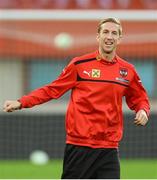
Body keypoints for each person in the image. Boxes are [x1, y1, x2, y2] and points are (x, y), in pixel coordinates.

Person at [3, 18, 150, 179]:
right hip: (79, 146)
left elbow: (139, 97)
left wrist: (143, 110)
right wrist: (21, 102)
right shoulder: (80, 65)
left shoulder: (127, 70)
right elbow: (52, 90)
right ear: (98, 36)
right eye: (105, 32)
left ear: (119, 38)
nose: (109, 36)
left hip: (109, 148)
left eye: (114, 33)